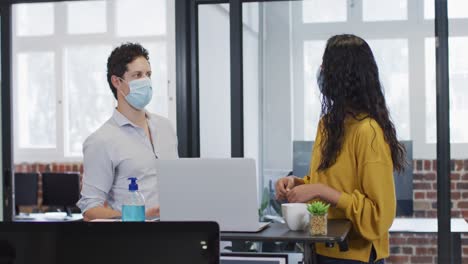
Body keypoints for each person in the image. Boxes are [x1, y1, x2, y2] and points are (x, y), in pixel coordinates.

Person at [275, 34, 406, 263]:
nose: (320, 71)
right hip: (319, 250)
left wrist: (322, 192)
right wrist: (299, 185)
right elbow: (332, 184)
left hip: (354, 256)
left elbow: (379, 216)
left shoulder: (368, 131)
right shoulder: (328, 125)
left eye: (326, 65)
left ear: (344, 75)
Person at [77, 43, 178, 221]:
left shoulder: (166, 127)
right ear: (117, 82)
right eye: (137, 75)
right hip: (133, 239)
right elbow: (90, 210)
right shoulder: (101, 140)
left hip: (176, 234)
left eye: (148, 74)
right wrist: (137, 216)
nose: (146, 81)